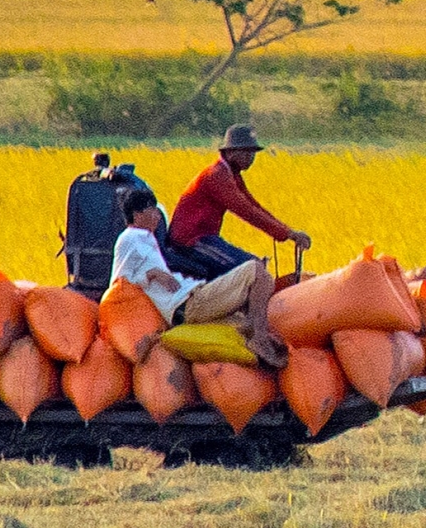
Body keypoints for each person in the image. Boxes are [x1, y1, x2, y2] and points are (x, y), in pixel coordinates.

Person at [112, 184, 287, 370]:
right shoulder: (129, 239)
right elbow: (118, 285)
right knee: (256, 270)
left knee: (249, 321)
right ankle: (260, 340)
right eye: (152, 210)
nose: (157, 215)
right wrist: (151, 274)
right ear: (137, 214)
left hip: (192, 297)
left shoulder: (146, 238)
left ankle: (259, 341)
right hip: (187, 304)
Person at [165, 125, 309, 280]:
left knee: (254, 267)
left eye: (253, 153)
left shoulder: (232, 174)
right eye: (245, 152)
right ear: (230, 152)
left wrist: (288, 232)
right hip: (191, 241)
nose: (250, 157)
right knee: (253, 268)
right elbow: (246, 211)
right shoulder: (216, 175)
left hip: (206, 238)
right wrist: (287, 233)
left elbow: (253, 205)